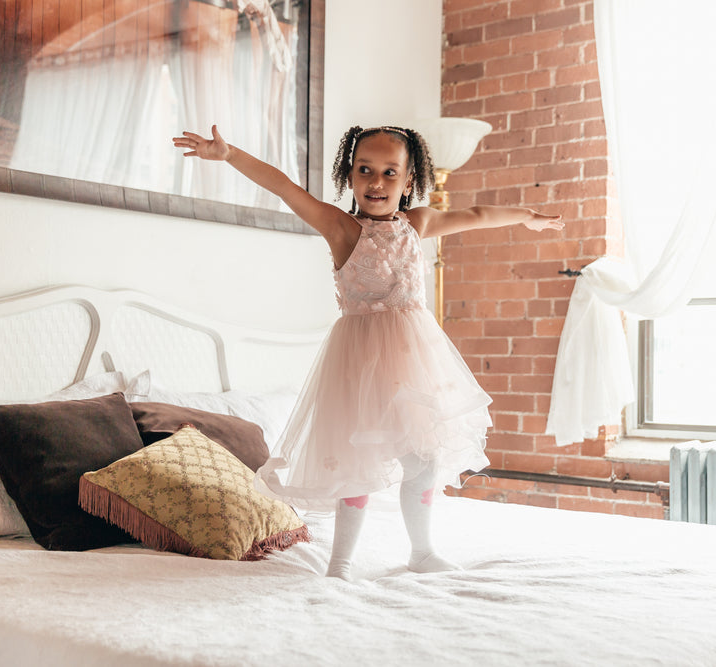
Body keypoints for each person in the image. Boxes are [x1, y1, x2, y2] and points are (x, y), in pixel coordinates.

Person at [173, 124, 563, 579]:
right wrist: (229, 154)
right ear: (350, 175)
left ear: (409, 181)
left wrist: (525, 216)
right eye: (365, 170)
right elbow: (283, 186)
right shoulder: (340, 227)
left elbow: (476, 214)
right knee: (355, 463)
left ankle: (421, 551)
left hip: (414, 361)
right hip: (358, 364)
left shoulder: (419, 223)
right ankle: (340, 562)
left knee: (423, 457)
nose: (376, 183)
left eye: (389, 173)